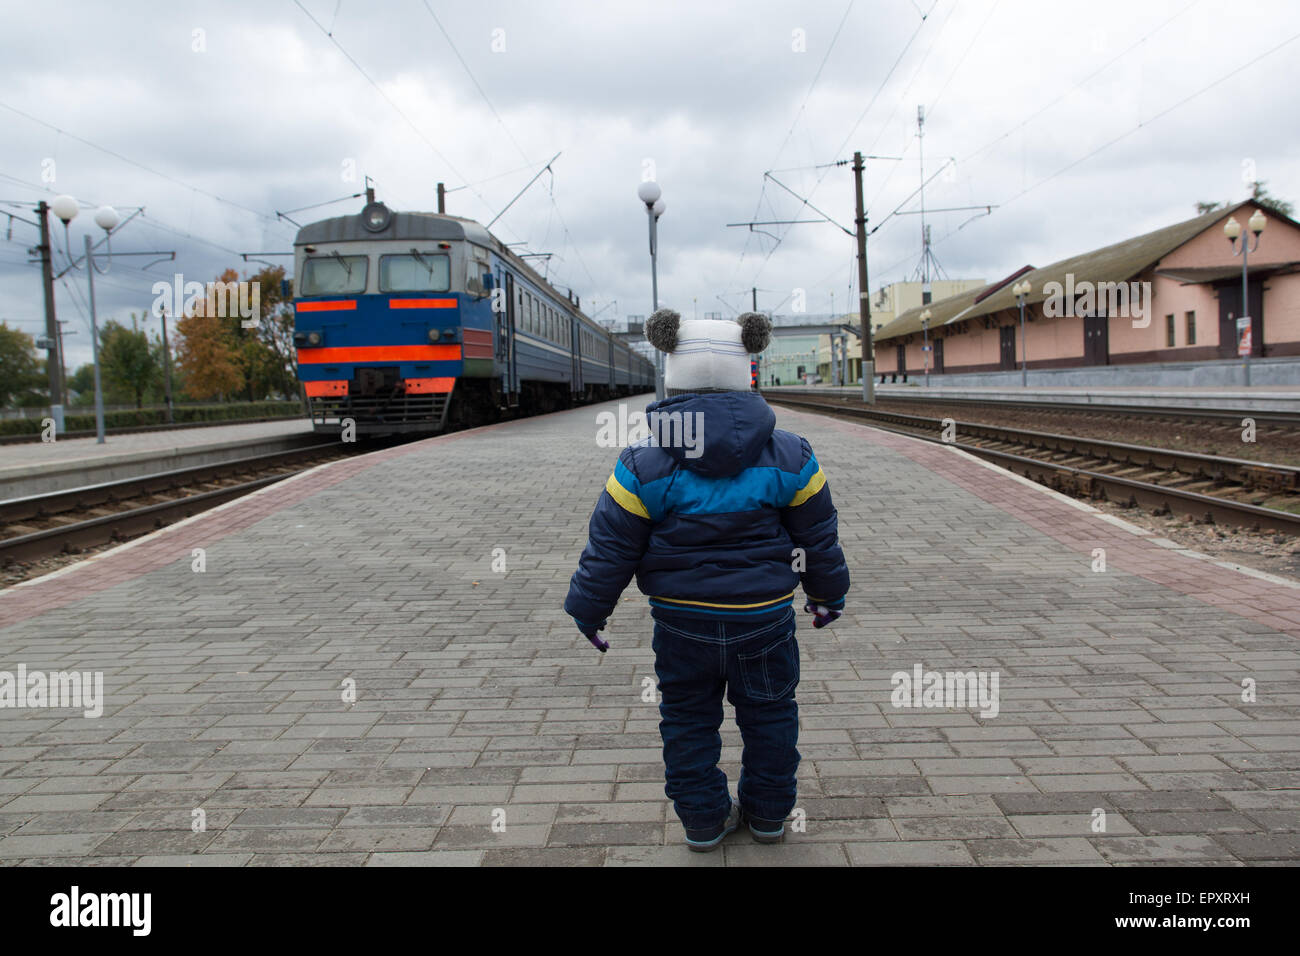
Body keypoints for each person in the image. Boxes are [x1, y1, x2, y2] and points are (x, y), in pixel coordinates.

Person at [564, 309, 850, 852]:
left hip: (681, 623)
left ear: (672, 372)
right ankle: (768, 816)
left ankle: (702, 820)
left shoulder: (641, 464)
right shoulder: (792, 454)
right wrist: (827, 593)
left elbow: (612, 547)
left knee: (687, 721)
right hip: (764, 620)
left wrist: (588, 608)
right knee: (770, 716)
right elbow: (818, 538)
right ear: (749, 367)